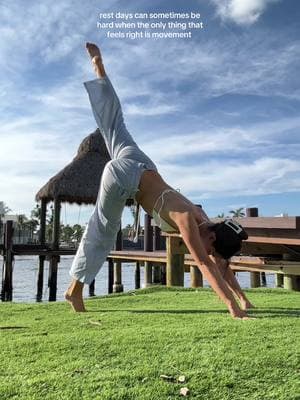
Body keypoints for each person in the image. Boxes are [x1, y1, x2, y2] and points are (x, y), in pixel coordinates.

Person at [65, 42, 254, 319]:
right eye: (211, 245)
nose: (208, 249)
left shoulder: (203, 217)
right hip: (124, 174)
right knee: (103, 230)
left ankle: (100, 69)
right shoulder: (188, 220)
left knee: (115, 123)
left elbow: (218, 263)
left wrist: (243, 297)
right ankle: (74, 290)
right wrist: (232, 307)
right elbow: (203, 262)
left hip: (142, 163)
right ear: (212, 236)